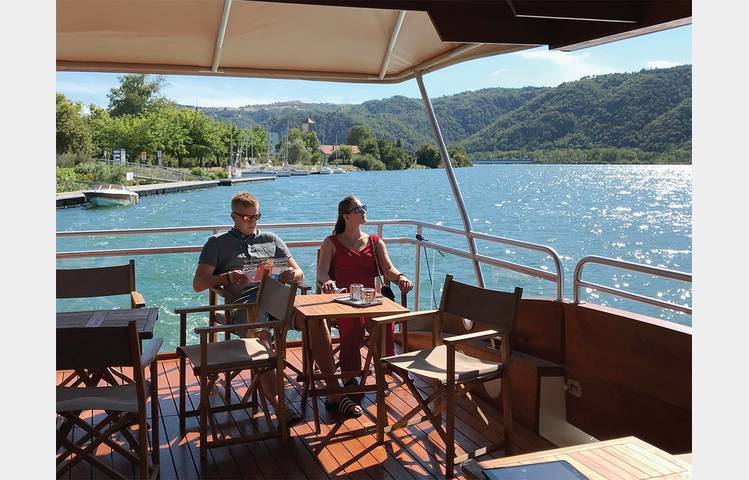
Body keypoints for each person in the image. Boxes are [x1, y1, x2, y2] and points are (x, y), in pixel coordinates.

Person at [192, 191, 305, 425]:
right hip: (244, 304)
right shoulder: (217, 244)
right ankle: (279, 405)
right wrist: (226, 277)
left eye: (256, 217)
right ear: (233, 216)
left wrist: (292, 274)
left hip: (276, 299)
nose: (252, 222)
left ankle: (332, 389)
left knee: (315, 321)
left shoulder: (271, 239)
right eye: (246, 218)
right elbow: (199, 284)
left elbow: (300, 273)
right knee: (261, 330)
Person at [313, 195, 413, 417]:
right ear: (346, 215)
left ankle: (381, 371)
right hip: (343, 301)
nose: (364, 211)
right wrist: (327, 281)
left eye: (364, 207)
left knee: (385, 324)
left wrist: (401, 277)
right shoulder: (331, 242)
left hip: (370, 299)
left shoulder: (375, 241)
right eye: (359, 208)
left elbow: (388, 269)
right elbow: (321, 271)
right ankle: (349, 377)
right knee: (353, 327)